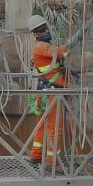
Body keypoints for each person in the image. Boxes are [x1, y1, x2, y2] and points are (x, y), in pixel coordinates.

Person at [27, 13, 71, 166]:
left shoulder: (43, 47)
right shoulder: (42, 46)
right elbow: (61, 52)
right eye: (42, 30)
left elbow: (57, 60)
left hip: (45, 92)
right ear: (36, 33)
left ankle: (36, 155)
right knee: (55, 127)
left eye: (45, 28)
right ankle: (52, 161)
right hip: (53, 93)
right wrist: (75, 40)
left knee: (42, 125)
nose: (46, 31)